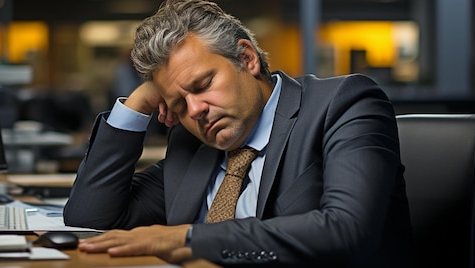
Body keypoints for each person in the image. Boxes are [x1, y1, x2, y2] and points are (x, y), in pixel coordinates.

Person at [63, 0, 412, 266]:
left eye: (203, 85)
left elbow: (346, 230)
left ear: (247, 59)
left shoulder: (343, 104)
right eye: (179, 105)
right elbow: (91, 217)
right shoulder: (192, 141)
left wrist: (187, 237)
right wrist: (137, 104)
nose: (196, 110)